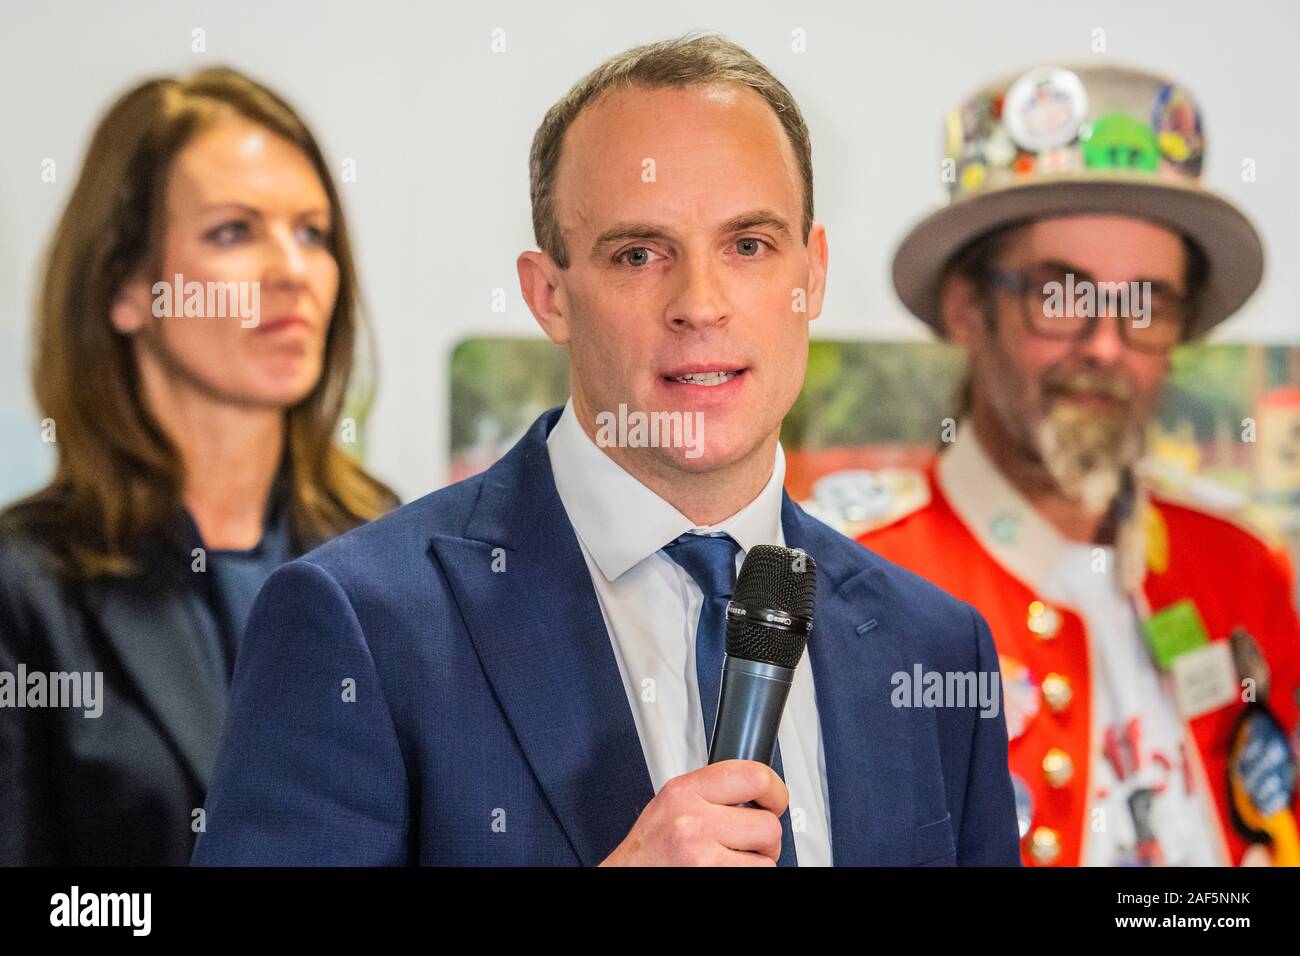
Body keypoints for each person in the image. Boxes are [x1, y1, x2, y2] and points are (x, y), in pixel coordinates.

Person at [192, 34, 1020, 866]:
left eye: (749, 246)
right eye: (638, 254)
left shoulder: (935, 648)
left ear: (813, 273)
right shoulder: (360, 623)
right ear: (549, 296)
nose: (700, 304)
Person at [853, 64, 1300, 865]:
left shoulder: (1242, 572)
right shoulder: (861, 585)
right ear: (968, 308)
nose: (1104, 344)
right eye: (1062, 294)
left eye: (1147, 304)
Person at [0, 67, 398, 865]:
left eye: (312, 233)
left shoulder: (392, 550)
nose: (292, 269)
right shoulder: (26, 585)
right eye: (233, 232)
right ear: (126, 287)